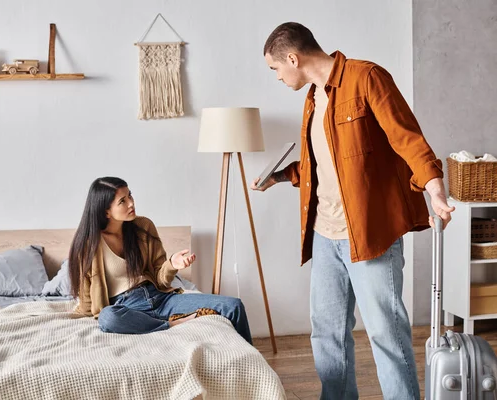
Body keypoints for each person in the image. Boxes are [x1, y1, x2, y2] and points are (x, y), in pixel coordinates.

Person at [252, 22, 455, 399]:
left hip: (370, 236)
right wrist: (280, 176)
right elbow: (326, 164)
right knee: (327, 336)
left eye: (276, 68)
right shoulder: (312, 98)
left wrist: (435, 189)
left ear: (293, 58)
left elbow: (407, 138)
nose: (277, 76)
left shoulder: (367, 78)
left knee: (386, 335)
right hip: (324, 237)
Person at [69, 176, 252, 344]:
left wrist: (172, 264)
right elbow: (88, 299)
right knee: (108, 318)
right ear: (106, 211)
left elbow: (160, 276)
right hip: (126, 307)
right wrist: (80, 312)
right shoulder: (89, 245)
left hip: (160, 297)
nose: (131, 203)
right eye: (122, 201)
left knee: (233, 306)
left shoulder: (143, 227)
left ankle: (250, 371)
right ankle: (172, 324)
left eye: (130, 196)